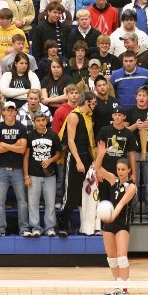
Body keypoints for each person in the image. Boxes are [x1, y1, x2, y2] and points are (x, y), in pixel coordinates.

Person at [93, 139, 137, 295]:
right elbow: (97, 168)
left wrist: (111, 216)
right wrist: (101, 154)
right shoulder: (113, 180)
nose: (120, 172)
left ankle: (125, 291)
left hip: (121, 225)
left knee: (122, 257)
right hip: (109, 225)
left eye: (123, 169)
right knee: (111, 258)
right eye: (118, 169)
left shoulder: (131, 187)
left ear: (129, 170)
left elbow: (121, 204)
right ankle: (118, 286)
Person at [58, 90, 97, 236]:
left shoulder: (88, 116)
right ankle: (63, 222)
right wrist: (78, 161)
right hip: (75, 158)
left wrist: (94, 161)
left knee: (86, 193)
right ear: (87, 102)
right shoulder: (74, 116)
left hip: (86, 156)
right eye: (93, 102)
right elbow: (70, 141)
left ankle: (85, 225)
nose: (95, 105)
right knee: (72, 193)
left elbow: (89, 142)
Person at [0, 101, 28, 237]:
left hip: (18, 169)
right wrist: (14, 145)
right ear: (3, 112)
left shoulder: (21, 127)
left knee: (22, 201)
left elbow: (22, 149)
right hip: (2, 169)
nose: (10, 112)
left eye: (13, 110)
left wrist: (5, 144)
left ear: (16, 112)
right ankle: (0, 229)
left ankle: (24, 228)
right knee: (0, 202)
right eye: (8, 110)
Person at [125, 86, 148, 222]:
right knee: (133, 182)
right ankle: (131, 210)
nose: (141, 98)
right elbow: (124, 130)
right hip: (134, 151)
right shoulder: (130, 111)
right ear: (136, 97)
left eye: (144, 95)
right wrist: (135, 126)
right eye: (139, 95)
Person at [24, 111, 62, 237]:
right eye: (38, 120)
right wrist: (26, 175)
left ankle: (49, 227)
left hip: (50, 175)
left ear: (46, 121)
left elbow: (58, 154)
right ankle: (35, 227)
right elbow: (26, 156)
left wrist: (50, 160)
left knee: (50, 203)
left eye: (43, 120)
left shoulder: (53, 135)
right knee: (33, 203)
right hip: (34, 174)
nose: (41, 123)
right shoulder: (30, 136)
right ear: (34, 122)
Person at [96, 106, 137, 216]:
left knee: (119, 199)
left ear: (124, 117)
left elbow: (131, 153)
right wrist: (98, 171)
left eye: (120, 115)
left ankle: (119, 220)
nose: (117, 117)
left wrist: (133, 173)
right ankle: (104, 222)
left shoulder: (128, 133)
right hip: (105, 170)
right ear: (112, 116)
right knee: (104, 199)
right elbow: (98, 150)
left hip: (120, 172)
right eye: (115, 115)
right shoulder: (104, 130)